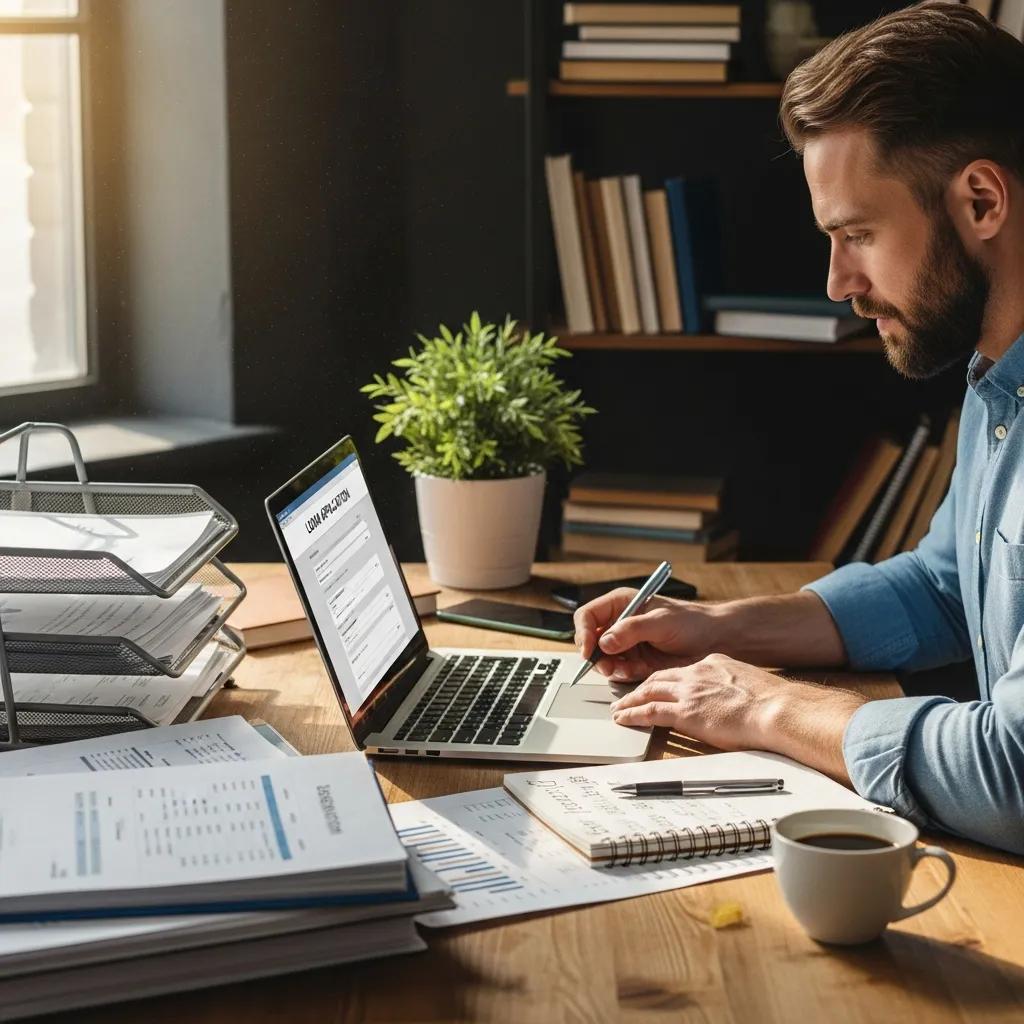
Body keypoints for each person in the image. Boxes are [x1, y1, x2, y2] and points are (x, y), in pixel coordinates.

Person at [574, 1, 1024, 856]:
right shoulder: (1000, 378)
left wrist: (768, 705)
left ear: (980, 200)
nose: (836, 281)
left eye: (857, 233)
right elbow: (945, 586)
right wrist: (722, 628)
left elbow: (1014, 774)